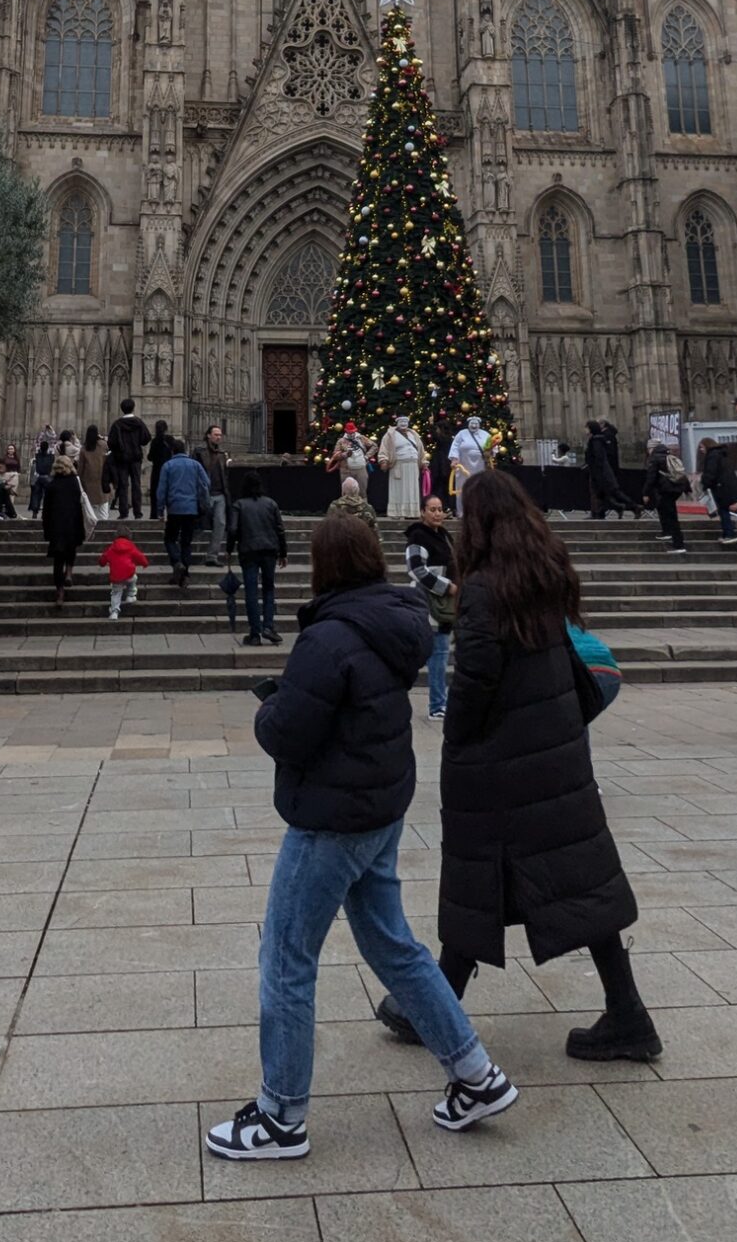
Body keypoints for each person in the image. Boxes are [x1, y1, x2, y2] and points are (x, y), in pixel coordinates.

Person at [205, 509, 518, 1162]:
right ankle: (474, 1074)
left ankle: (280, 1119)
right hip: (380, 807)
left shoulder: (329, 637)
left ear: (323, 565)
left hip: (334, 818)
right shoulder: (396, 620)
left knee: (287, 958)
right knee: (395, 946)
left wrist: (267, 713)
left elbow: (290, 730)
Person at [377, 469, 658, 1066]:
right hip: (554, 757)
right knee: (575, 881)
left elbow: (476, 680)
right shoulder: (542, 575)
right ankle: (627, 1013)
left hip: (504, 763)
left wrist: (457, 741)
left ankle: (431, 1007)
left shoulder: (484, 589)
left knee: (478, 881)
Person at [405, 492, 457, 716]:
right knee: (439, 652)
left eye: (440, 509)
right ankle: (437, 705)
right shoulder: (418, 536)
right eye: (432, 509)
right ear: (422, 512)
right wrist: (446, 586)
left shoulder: (444, 535)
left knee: (441, 651)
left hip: (446, 602)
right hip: (429, 602)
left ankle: (439, 702)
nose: (437, 514)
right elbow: (416, 569)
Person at [228, 469, 289, 647]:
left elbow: (232, 529)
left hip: (248, 551)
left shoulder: (239, 505)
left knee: (251, 591)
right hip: (269, 550)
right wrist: (283, 552)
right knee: (269, 589)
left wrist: (229, 549)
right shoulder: (271, 503)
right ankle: (268, 626)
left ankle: (255, 633)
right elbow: (280, 529)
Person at [40, 442, 88, 605]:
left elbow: (46, 510)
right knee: (71, 550)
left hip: (56, 526)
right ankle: (69, 572)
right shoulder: (74, 482)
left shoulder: (51, 485)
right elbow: (79, 503)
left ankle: (59, 592)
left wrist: (46, 529)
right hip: (72, 523)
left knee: (57, 560)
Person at [157, 438, 209, 586]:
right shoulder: (195, 465)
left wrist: (160, 510)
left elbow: (161, 490)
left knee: (170, 539)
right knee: (186, 542)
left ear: (172, 450)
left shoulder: (168, 466)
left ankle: (176, 562)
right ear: (185, 450)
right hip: (191, 509)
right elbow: (206, 483)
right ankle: (184, 574)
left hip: (174, 508)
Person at [376, 414, 426, 520]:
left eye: (405, 422)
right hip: (399, 465)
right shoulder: (390, 435)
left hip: (413, 466)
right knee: (399, 489)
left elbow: (421, 450)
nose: (403, 424)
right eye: (401, 422)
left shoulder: (414, 434)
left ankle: (412, 512)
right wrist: (383, 460)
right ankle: (397, 512)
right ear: (397, 423)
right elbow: (384, 449)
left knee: (412, 489)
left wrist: (423, 462)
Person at [642, 441, 688, 554]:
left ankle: (678, 544)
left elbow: (651, 477)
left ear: (652, 449)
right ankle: (668, 533)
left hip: (665, 490)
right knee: (668, 512)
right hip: (675, 489)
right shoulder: (669, 456)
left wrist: (646, 493)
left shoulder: (655, 459)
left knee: (671, 516)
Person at [696, 438, 737, 542]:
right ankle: (727, 533)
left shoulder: (712, 456)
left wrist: (705, 483)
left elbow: (710, 472)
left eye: (701, 447)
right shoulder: (720, 454)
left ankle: (729, 534)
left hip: (721, 487)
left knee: (723, 510)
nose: (701, 450)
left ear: (707, 445)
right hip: (725, 486)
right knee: (724, 510)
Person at [108, 399, 148, 519]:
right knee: (136, 483)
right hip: (135, 457)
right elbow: (146, 438)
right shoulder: (139, 422)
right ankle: (138, 512)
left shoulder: (117, 424)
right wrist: (137, 443)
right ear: (133, 408)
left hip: (122, 458)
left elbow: (111, 442)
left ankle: (123, 512)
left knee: (123, 484)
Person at [199, 424, 231, 565]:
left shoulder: (223, 454)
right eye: (216, 434)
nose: (219, 437)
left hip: (219, 493)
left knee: (220, 523)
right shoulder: (199, 452)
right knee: (196, 522)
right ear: (208, 435)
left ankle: (212, 556)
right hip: (204, 493)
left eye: (220, 435)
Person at [447, 416, 491, 513]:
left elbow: (492, 446)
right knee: (462, 487)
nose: (474, 426)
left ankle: (480, 512)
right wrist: (454, 459)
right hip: (464, 465)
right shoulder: (461, 434)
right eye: (472, 423)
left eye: (476, 424)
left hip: (481, 465)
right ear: (468, 424)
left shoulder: (485, 435)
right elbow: (455, 446)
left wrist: (490, 453)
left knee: (480, 487)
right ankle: (462, 512)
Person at [102, 527, 147, 618]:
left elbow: (104, 557)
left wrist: (102, 563)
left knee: (116, 593)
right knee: (134, 579)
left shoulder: (112, 548)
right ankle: (131, 595)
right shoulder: (131, 546)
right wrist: (144, 563)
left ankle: (114, 612)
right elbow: (139, 556)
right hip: (129, 574)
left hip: (116, 576)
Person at [329, 423, 371, 501]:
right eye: (350, 432)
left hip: (360, 469)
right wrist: (344, 455)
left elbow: (374, 446)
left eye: (353, 431)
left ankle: (363, 510)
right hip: (346, 470)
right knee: (346, 492)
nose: (352, 433)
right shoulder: (341, 441)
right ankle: (346, 510)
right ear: (346, 431)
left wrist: (367, 456)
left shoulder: (361, 438)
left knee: (362, 492)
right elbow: (335, 455)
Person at [78, 424, 109, 524]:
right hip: (102, 482)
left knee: (90, 513)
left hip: (88, 484)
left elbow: (80, 469)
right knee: (103, 512)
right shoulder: (103, 445)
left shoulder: (83, 449)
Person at [145, 418, 173, 517]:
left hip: (157, 470)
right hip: (169, 469)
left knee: (155, 493)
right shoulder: (170, 440)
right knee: (170, 492)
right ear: (166, 428)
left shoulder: (155, 441)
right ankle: (171, 514)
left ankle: (154, 515)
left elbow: (150, 457)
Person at [27, 427, 57, 519]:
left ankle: (35, 511)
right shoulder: (51, 456)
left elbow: (37, 442)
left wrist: (42, 432)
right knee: (47, 496)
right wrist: (51, 431)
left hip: (38, 477)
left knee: (36, 495)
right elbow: (53, 440)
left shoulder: (37, 454)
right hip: (47, 477)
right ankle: (46, 512)